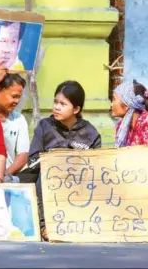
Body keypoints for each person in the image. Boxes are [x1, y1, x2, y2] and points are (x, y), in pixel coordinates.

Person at [18, 80, 102, 241]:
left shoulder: (90, 133)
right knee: (45, 173)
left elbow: (96, 166)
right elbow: (33, 159)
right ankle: (45, 227)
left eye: (63, 104)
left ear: (76, 109)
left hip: (79, 182)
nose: (56, 107)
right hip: (48, 179)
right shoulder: (45, 126)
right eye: (55, 102)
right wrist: (54, 159)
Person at [0, 73, 30, 176]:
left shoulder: (19, 119)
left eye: (19, 97)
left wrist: (4, 175)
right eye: (14, 96)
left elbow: (23, 155)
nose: (17, 101)